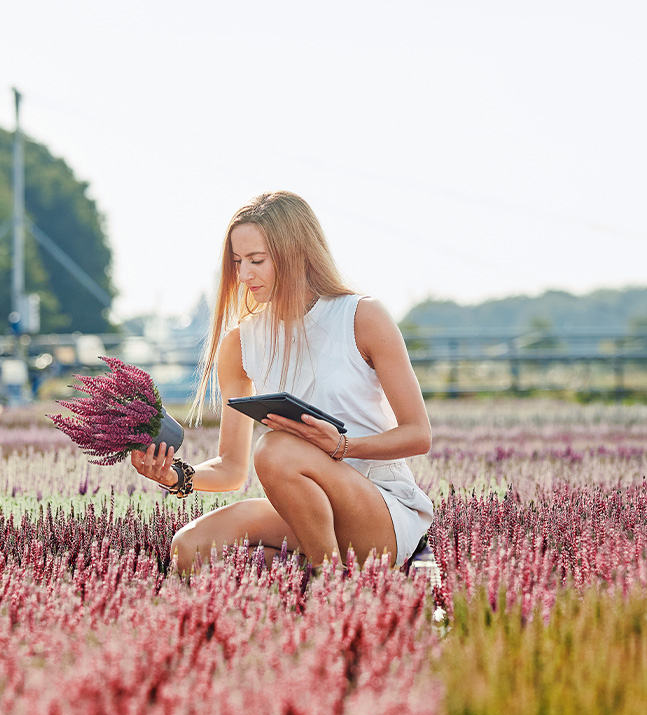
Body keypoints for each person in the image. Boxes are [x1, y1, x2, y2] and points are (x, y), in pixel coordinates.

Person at [130, 191, 434, 572]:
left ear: (295, 252)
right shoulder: (240, 343)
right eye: (238, 262)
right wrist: (174, 476)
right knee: (189, 547)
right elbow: (231, 468)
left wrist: (342, 446)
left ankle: (332, 583)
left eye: (256, 261)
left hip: (379, 510)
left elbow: (418, 435)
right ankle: (326, 572)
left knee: (275, 449)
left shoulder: (361, 316)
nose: (243, 276)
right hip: (305, 513)